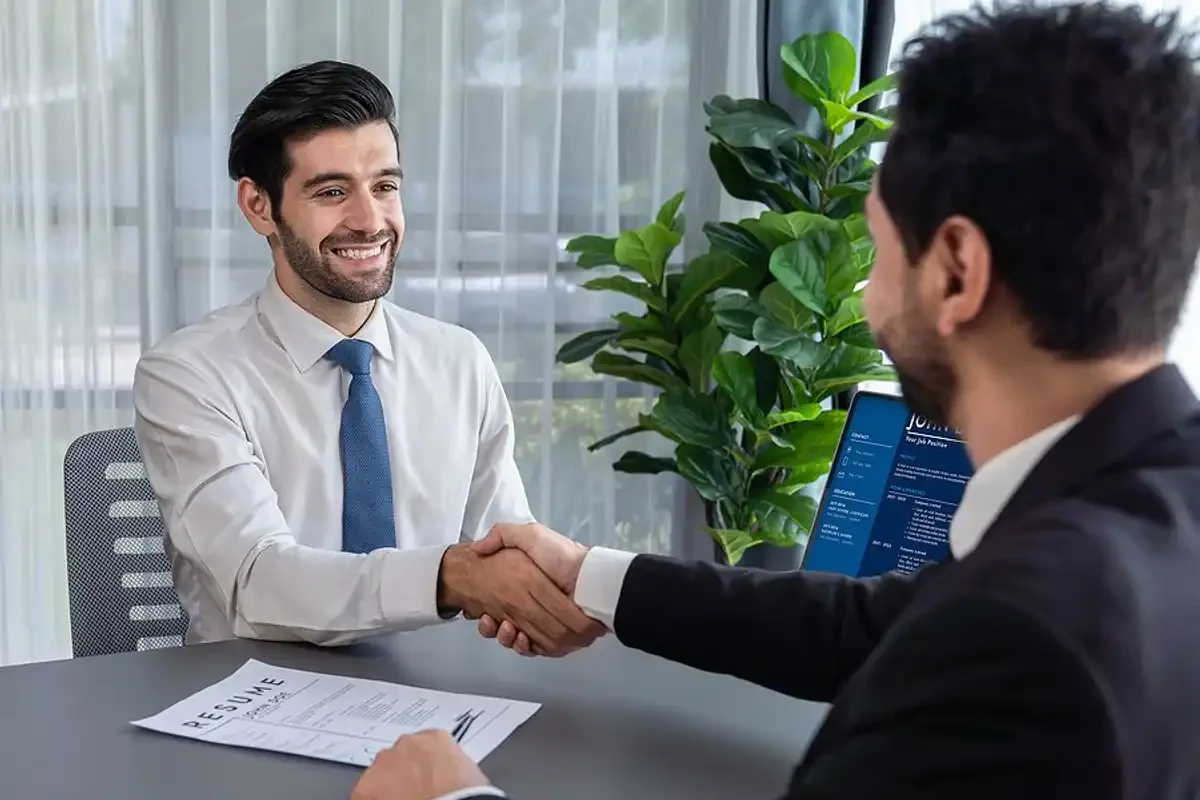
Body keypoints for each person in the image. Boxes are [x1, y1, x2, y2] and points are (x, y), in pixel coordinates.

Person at [350, 4, 1200, 799]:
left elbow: (950, 640)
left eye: (876, 247)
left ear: (956, 272)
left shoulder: (1014, 640)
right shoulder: (1146, 507)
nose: (866, 293)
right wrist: (596, 575)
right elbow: (874, 627)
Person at [132, 60, 600, 654]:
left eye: (384, 186)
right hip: (254, 705)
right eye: (332, 191)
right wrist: (451, 577)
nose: (369, 220)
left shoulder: (459, 361)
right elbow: (258, 583)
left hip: (434, 696)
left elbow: (500, 550)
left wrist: (556, 597)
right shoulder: (189, 374)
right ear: (258, 206)